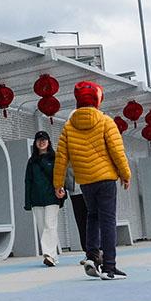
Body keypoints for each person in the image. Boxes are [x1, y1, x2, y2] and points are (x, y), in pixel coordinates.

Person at [53, 81, 131, 280]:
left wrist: (58, 184)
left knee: (92, 217)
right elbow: (117, 151)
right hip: (105, 179)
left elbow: (61, 157)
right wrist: (125, 174)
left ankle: (91, 257)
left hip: (85, 181)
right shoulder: (106, 121)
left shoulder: (69, 126)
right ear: (97, 100)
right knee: (107, 221)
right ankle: (109, 268)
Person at [24, 130, 65, 266]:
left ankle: (48, 254)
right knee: (43, 227)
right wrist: (27, 202)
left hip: (52, 197)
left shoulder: (55, 158)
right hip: (36, 198)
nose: (41, 142)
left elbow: (60, 176)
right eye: (39, 140)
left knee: (50, 225)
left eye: (44, 140)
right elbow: (28, 181)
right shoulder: (31, 161)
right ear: (35, 143)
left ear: (48, 142)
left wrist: (61, 191)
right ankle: (53, 256)